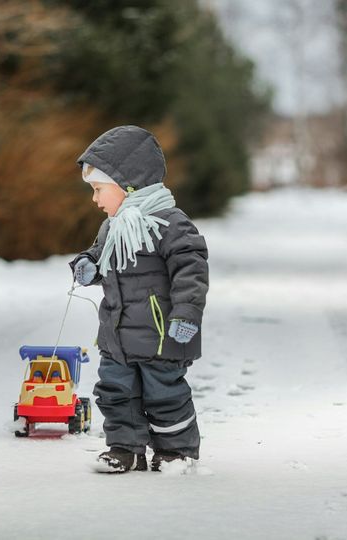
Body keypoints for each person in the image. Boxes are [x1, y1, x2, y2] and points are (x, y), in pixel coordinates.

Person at [68, 125, 209, 473]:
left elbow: (191, 271)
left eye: (99, 189)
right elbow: (100, 256)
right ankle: (125, 449)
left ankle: (176, 451)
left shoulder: (170, 224)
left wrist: (186, 314)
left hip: (162, 334)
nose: (95, 199)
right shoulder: (112, 227)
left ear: (127, 185)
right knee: (116, 392)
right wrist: (88, 265)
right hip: (117, 335)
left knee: (164, 395)